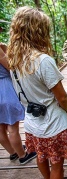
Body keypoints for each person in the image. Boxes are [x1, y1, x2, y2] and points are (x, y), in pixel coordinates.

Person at [7, 6, 67, 179]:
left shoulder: (14, 59)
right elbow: (62, 97)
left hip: (32, 124)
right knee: (57, 166)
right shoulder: (43, 61)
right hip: (53, 124)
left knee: (40, 157)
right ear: (39, 31)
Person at [0, 27, 37, 165]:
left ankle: (13, 152)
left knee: (0, 127)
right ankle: (23, 156)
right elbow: (11, 66)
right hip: (4, 89)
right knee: (12, 127)